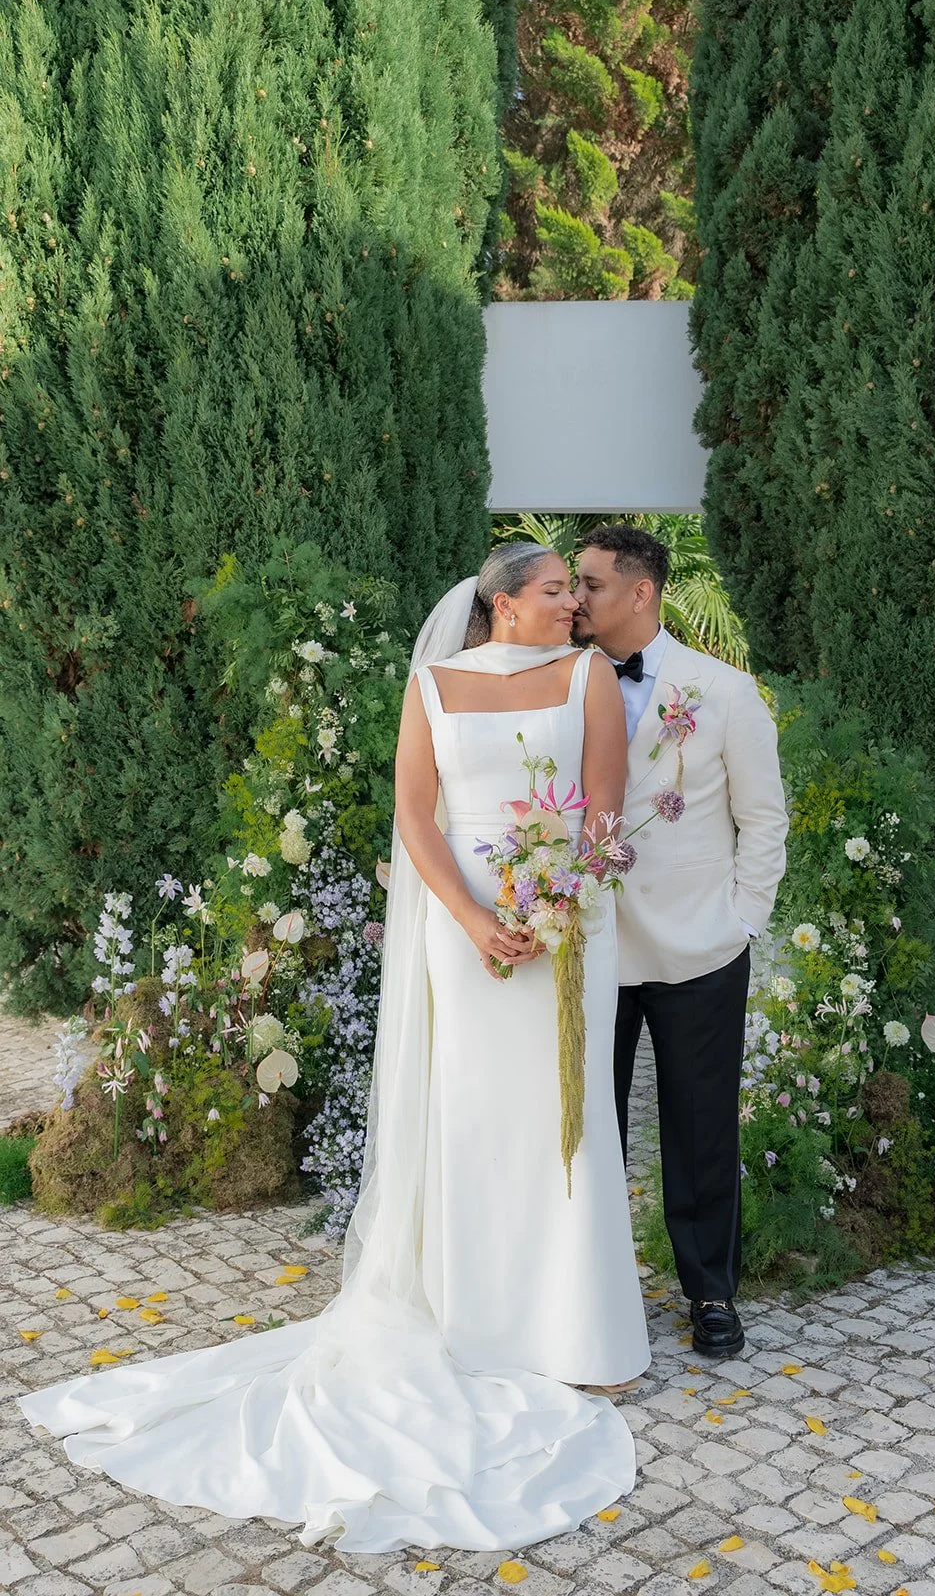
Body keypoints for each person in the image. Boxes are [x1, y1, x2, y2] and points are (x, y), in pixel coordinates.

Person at [19, 544, 650, 1553]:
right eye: (554, 590)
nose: (574, 603)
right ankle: (474, 1322)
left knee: (563, 1118)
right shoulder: (433, 683)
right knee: (474, 1117)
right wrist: (478, 921)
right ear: (500, 604)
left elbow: (602, 806)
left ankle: (581, 1329)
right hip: (464, 927)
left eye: (576, 591)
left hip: (565, 922)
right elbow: (415, 813)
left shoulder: (588, 680)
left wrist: (551, 903)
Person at [573, 524, 788, 1360]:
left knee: (701, 1125)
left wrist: (742, 922)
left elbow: (762, 818)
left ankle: (709, 1293)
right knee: (590, 1121)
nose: (576, 598)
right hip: (590, 941)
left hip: (700, 945)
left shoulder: (725, 692)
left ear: (641, 592)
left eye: (589, 584)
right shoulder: (558, 683)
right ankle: (590, 1290)